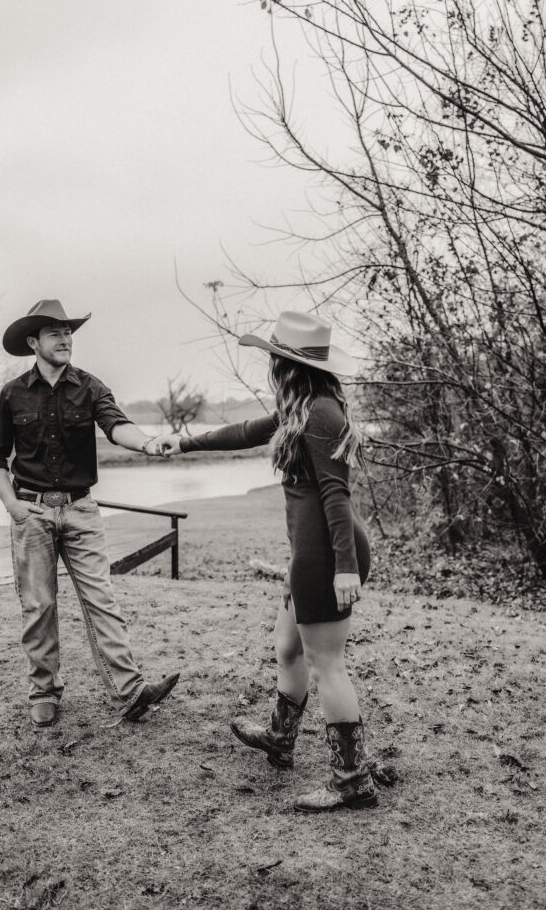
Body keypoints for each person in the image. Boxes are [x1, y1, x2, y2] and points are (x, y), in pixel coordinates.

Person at [158, 310, 380, 813]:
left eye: (273, 358)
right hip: (310, 553)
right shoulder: (300, 409)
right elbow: (243, 431)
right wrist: (185, 441)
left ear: (286, 364)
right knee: (287, 648)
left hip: (329, 553)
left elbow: (336, 495)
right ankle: (281, 738)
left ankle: (352, 780)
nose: (270, 366)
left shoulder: (322, 414)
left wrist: (344, 566)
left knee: (327, 665)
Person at [0, 299, 179, 728]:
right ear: (34, 342)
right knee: (38, 607)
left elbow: (116, 424)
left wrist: (146, 443)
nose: (66, 338)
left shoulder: (89, 386)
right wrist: (13, 507)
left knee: (102, 599)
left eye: (69, 331)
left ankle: (129, 692)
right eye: (55, 332)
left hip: (81, 511)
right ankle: (44, 691)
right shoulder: (12, 393)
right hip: (30, 512)